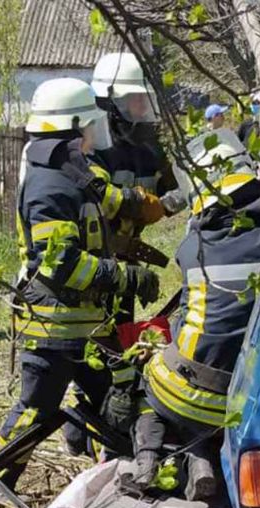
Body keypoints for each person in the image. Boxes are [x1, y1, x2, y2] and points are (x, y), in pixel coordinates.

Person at [0, 78, 162, 489]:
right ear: (71, 127)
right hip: (55, 330)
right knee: (35, 412)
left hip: (87, 326)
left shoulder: (73, 171)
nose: (93, 134)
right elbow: (60, 264)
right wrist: (126, 277)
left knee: (118, 399)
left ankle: (125, 478)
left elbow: (107, 205)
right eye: (88, 126)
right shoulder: (49, 185)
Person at [127, 129, 260, 501]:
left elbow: (193, 314)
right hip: (247, 391)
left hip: (195, 392)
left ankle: (148, 459)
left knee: (147, 387)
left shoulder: (195, 246)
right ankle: (202, 459)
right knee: (200, 398)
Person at [91, 52, 184, 326]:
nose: (143, 107)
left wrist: (165, 204)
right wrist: (140, 204)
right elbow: (96, 198)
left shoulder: (149, 147)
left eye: (146, 98)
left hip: (127, 261)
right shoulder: (90, 147)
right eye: (135, 98)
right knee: (94, 336)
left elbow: (182, 187)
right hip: (92, 264)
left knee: (121, 334)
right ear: (111, 102)